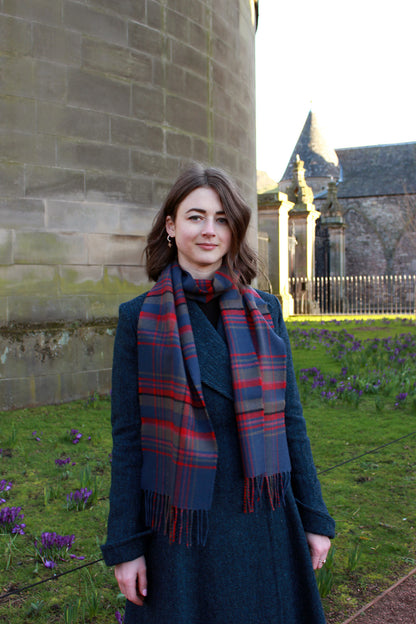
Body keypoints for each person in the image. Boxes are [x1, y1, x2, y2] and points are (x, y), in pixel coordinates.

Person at [101, 163, 335, 624]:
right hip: (181, 528)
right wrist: (126, 546)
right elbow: (128, 439)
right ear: (171, 226)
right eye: (195, 216)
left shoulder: (265, 312)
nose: (210, 230)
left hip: (262, 515)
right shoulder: (139, 319)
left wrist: (314, 516)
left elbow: (291, 420)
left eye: (223, 218)